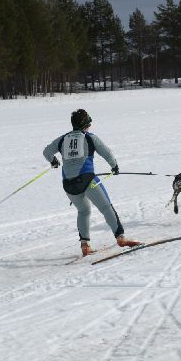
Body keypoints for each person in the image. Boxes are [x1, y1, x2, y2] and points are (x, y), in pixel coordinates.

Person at [43, 109, 141, 256]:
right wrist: (114, 167)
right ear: (85, 124)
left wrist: (54, 161)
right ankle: (120, 237)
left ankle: (85, 245)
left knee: (83, 211)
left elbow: (46, 152)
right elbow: (107, 153)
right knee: (106, 207)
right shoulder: (90, 138)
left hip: (69, 185)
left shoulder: (62, 139)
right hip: (87, 180)